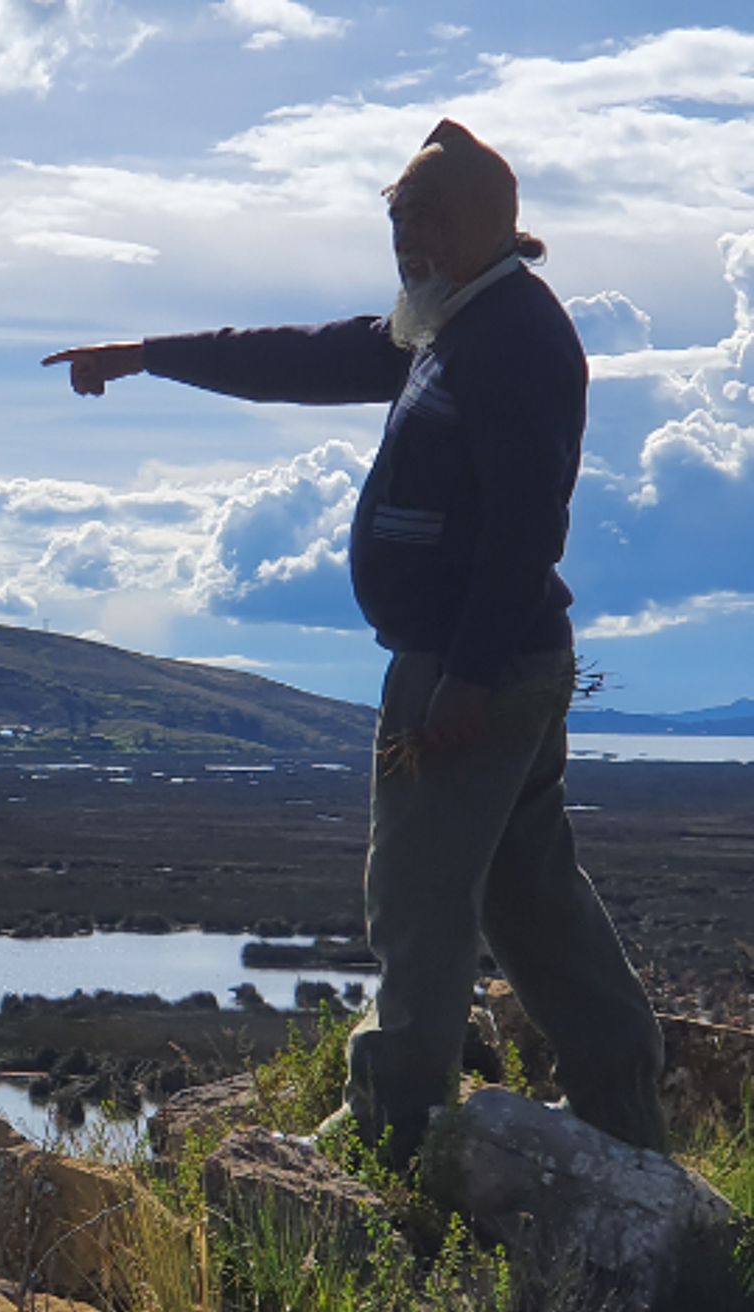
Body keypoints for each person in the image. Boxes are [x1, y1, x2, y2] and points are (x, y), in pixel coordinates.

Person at [43, 119, 667, 1163]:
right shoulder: (448, 323)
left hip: (473, 669)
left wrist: (461, 675)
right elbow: (306, 356)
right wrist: (148, 357)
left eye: (421, 216)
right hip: (489, 663)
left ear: (486, 223)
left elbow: (525, 525)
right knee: (528, 894)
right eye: (393, 217)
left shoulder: (512, 336)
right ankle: (621, 1106)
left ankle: (392, 1126)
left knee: (417, 894)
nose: (401, 239)